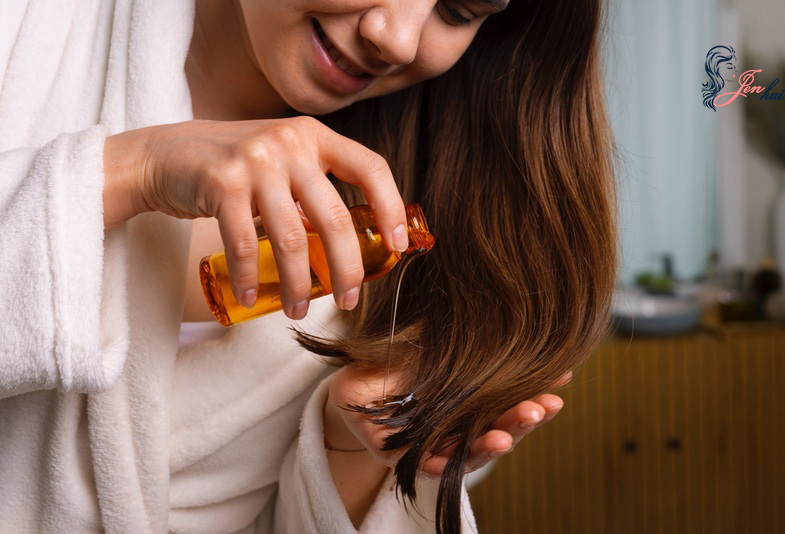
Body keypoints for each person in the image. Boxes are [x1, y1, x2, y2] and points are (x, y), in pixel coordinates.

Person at [0, 1, 615, 533]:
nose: (397, 38)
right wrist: (131, 172)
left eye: (457, 9)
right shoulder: (28, 27)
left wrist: (350, 451)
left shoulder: (424, 262)